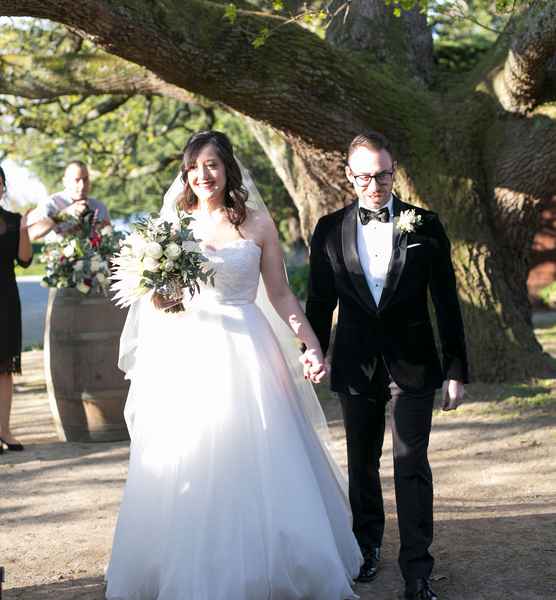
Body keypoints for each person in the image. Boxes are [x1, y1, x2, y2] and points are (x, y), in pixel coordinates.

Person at [105, 131, 363, 600]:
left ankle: (278, 563)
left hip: (248, 351)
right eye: (195, 167)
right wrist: (163, 297)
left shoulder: (259, 224)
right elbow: (159, 302)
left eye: (213, 165)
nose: (204, 175)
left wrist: (309, 344)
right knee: (194, 455)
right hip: (188, 354)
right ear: (186, 173)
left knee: (262, 455)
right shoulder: (172, 227)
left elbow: (281, 294)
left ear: (228, 170)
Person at [305, 131, 469, 600]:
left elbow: (446, 302)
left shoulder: (426, 225)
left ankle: (417, 570)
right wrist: (312, 349)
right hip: (356, 366)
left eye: (383, 174)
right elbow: (320, 301)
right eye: (364, 176)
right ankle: (366, 547)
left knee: (410, 461)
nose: (374, 184)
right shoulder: (329, 229)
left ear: (394, 171)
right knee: (361, 462)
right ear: (349, 175)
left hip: (414, 364)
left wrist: (455, 368)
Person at [0, 166, 33, 452]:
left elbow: (24, 260)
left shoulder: (12, 221)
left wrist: (23, 229)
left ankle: (5, 431)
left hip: (6, 300)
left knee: (5, 369)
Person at [27, 160, 111, 241]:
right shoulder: (51, 203)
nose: (82, 185)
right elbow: (31, 234)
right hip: (59, 254)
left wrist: (102, 229)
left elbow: (110, 237)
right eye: (77, 180)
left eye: (85, 180)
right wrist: (63, 215)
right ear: (65, 181)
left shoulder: (99, 207)